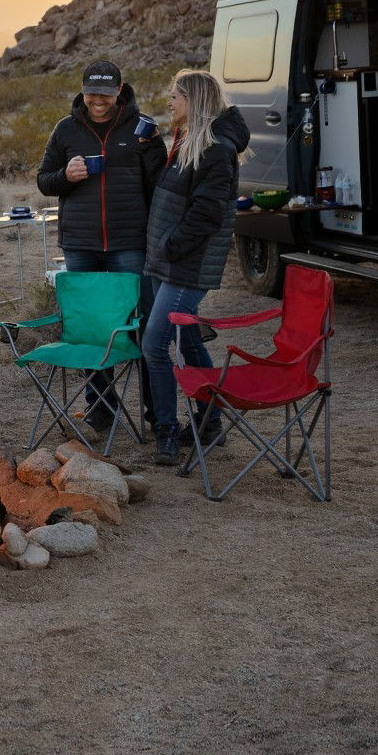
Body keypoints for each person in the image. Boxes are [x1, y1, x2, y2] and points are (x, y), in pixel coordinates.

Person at [36, 59, 167, 433]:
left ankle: (157, 413)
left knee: (142, 325)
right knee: (93, 327)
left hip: (130, 243)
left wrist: (153, 148)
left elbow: (159, 183)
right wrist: (66, 176)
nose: (98, 101)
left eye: (106, 94)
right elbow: (44, 181)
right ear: (82, 90)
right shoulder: (65, 130)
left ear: (119, 90)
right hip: (81, 245)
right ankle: (101, 408)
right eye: (92, 93)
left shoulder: (141, 129)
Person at [141, 69, 250, 466]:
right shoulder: (189, 138)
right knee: (187, 341)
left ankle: (167, 430)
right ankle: (210, 421)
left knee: (154, 344)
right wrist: (151, 149)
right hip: (166, 261)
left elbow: (207, 213)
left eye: (176, 95)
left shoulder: (216, 148)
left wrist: (172, 247)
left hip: (185, 265)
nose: (170, 101)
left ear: (195, 101)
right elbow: (170, 192)